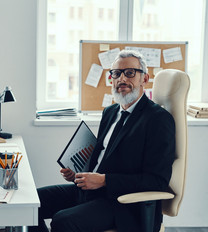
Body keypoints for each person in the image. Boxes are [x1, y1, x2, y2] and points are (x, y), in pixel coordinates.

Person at [29, 50, 175, 232]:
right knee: (30, 203)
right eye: (116, 73)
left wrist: (104, 181)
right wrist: (79, 174)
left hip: (123, 204)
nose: (122, 79)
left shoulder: (158, 119)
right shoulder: (111, 112)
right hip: (92, 192)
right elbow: (106, 158)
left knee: (62, 221)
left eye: (129, 73)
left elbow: (157, 180)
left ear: (144, 79)